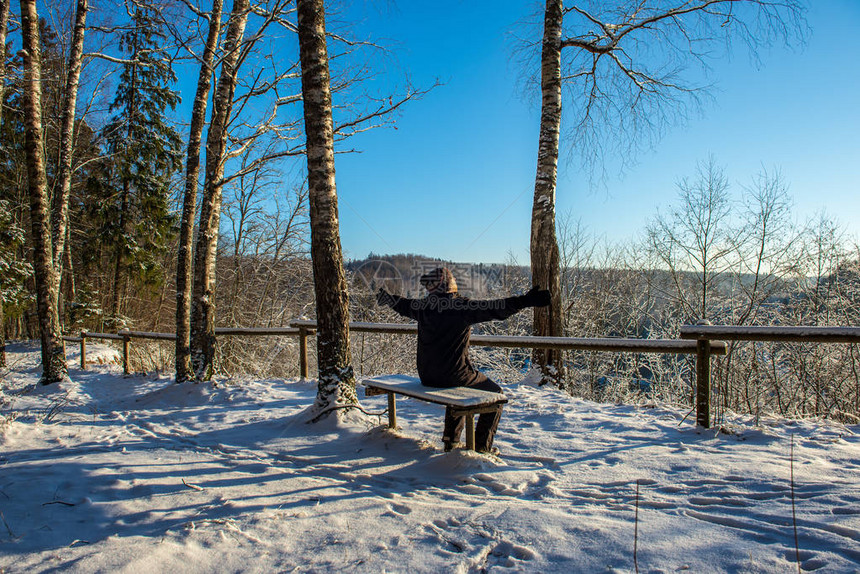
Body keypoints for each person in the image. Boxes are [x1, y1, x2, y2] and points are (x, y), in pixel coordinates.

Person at [376, 267, 551, 454]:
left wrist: (389, 298)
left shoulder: (422, 307)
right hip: (453, 376)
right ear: (450, 284)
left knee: (458, 392)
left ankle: (451, 441)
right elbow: (496, 308)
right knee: (496, 395)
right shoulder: (461, 307)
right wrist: (526, 300)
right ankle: (481, 449)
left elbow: (403, 304)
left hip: (427, 376)